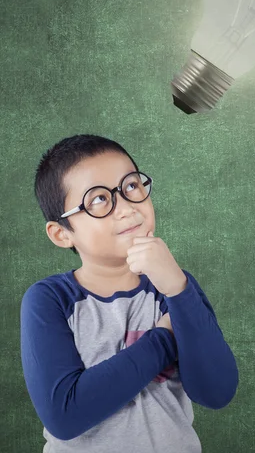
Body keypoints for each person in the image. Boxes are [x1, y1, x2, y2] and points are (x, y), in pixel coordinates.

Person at [20, 134, 239, 453]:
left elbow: (217, 393)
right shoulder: (50, 300)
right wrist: (165, 338)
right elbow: (65, 415)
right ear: (62, 233)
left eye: (131, 186)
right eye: (98, 199)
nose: (125, 207)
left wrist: (178, 290)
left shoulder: (175, 286)